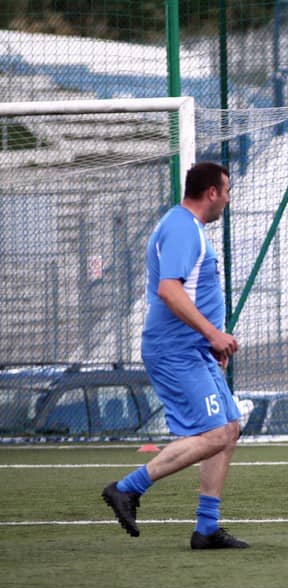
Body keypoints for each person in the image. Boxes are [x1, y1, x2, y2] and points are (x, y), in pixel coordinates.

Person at [102, 161, 248, 549]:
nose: (228, 200)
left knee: (229, 428)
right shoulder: (183, 227)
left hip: (194, 348)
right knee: (214, 434)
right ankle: (127, 488)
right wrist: (213, 334)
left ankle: (206, 528)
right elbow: (169, 290)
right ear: (212, 192)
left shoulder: (187, 226)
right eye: (227, 191)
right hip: (176, 350)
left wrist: (209, 341)